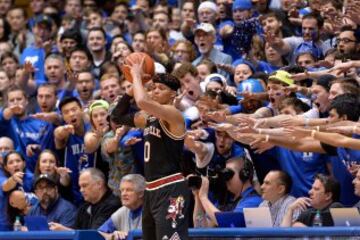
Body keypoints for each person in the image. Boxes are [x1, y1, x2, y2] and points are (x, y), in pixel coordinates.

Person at [110, 67, 189, 239]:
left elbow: (143, 102)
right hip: (151, 190)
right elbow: (116, 116)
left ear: (173, 95)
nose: (154, 92)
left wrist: (136, 76)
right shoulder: (148, 118)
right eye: (153, 88)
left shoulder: (174, 114)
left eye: (161, 89)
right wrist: (128, 93)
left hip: (171, 188)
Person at [194, 157, 262, 227]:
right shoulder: (225, 200)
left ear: (244, 175)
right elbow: (200, 227)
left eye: (229, 174)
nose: (226, 179)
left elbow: (230, 223)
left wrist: (204, 197)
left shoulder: (254, 201)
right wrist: (198, 196)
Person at [49, 168, 121, 230]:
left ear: (99, 184)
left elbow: (97, 234)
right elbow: (76, 230)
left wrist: (65, 231)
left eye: (84, 186)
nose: (81, 190)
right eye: (80, 187)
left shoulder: (113, 205)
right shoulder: (84, 207)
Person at [98, 174, 145, 240]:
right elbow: (99, 233)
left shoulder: (151, 210)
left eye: (129, 190)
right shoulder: (122, 211)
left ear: (141, 193)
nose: (123, 194)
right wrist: (113, 236)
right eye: (122, 190)